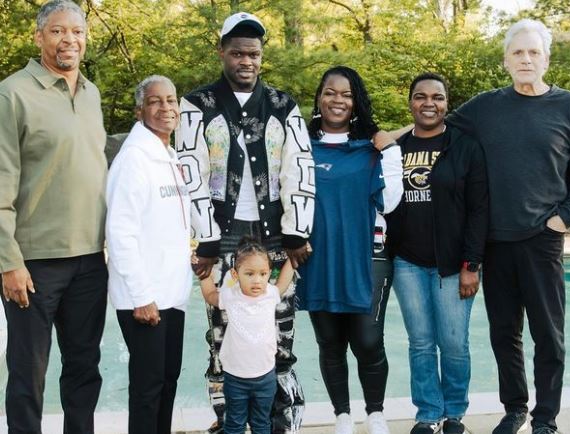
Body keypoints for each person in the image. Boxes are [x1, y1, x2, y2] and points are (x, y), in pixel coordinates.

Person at [176, 12, 315, 434]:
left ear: (262, 56)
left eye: (253, 53)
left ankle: (280, 420)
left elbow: (299, 166)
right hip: (222, 232)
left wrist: (298, 231)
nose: (246, 60)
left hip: (274, 232)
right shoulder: (195, 105)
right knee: (222, 332)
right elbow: (190, 170)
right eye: (237, 52)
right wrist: (205, 240)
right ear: (222, 52)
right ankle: (227, 420)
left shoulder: (283, 105)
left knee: (281, 327)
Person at [447, 19, 570, 434]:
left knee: (549, 337)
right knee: (504, 334)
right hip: (495, 241)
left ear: (546, 58)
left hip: (543, 240)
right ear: (506, 60)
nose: (526, 59)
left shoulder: (569, 106)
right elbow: (434, 128)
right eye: (518, 53)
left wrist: (567, 215)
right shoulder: (486, 106)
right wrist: (383, 138)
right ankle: (515, 408)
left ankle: (545, 419)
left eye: (533, 52)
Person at [0, 1, 108, 432]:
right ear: (39, 37)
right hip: (33, 263)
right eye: (58, 32)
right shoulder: (13, 93)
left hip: (89, 261)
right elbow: (1, 180)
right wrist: (8, 260)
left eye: (77, 32)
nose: (69, 40)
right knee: (28, 375)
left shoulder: (92, 93)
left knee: (84, 370)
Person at [295, 66, 404, 434]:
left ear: (355, 101)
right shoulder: (301, 146)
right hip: (317, 258)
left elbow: (389, 203)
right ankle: (342, 416)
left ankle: (375, 413)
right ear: (319, 98)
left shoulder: (371, 148)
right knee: (330, 342)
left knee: (368, 341)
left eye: (346, 94)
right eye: (330, 92)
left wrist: (388, 151)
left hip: (367, 257)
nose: (337, 100)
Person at [386, 73, 488, 434]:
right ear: (410, 102)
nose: (429, 103)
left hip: (453, 264)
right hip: (407, 262)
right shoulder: (395, 148)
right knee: (421, 344)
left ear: (447, 103)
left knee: (454, 344)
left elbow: (479, 210)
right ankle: (428, 415)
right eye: (420, 96)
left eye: (438, 97)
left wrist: (471, 265)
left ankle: (455, 413)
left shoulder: (465, 146)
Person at [105, 75, 192, 434]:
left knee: (167, 380)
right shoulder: (133, 160)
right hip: (145, 298)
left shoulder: (167, 154)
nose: (166, 108)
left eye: (171, 100)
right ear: (140, 109)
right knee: (147, 388)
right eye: (156, 102)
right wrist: (142, 296)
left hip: (172, 293)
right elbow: (120, 233)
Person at [197, 237, 297, 434]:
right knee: (235, 424)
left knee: (261, 424)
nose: (257, 280)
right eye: (249, 274)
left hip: (265, 377)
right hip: (235, 378)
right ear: (236, 274)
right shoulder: (230, 296)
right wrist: (202, 273)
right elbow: (210, 295)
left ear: (269, 273)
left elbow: (284, 281)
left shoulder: (270, 294)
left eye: (263, 274)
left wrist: (293, 258)